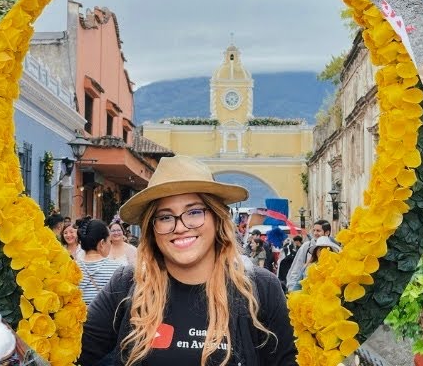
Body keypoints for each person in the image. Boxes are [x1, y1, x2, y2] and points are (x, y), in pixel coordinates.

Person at [79, 155, 296, 366]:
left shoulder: (261, 289)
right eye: (165, 217)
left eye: (194, 212)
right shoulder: (126, 285)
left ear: (217, 218)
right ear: (152, 228)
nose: (181, 227)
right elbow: (72, 352)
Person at [77, 219, 125, 306]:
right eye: (109, 241)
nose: (110, 244)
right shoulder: (118, 269)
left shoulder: (71, 268)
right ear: (102, 243)